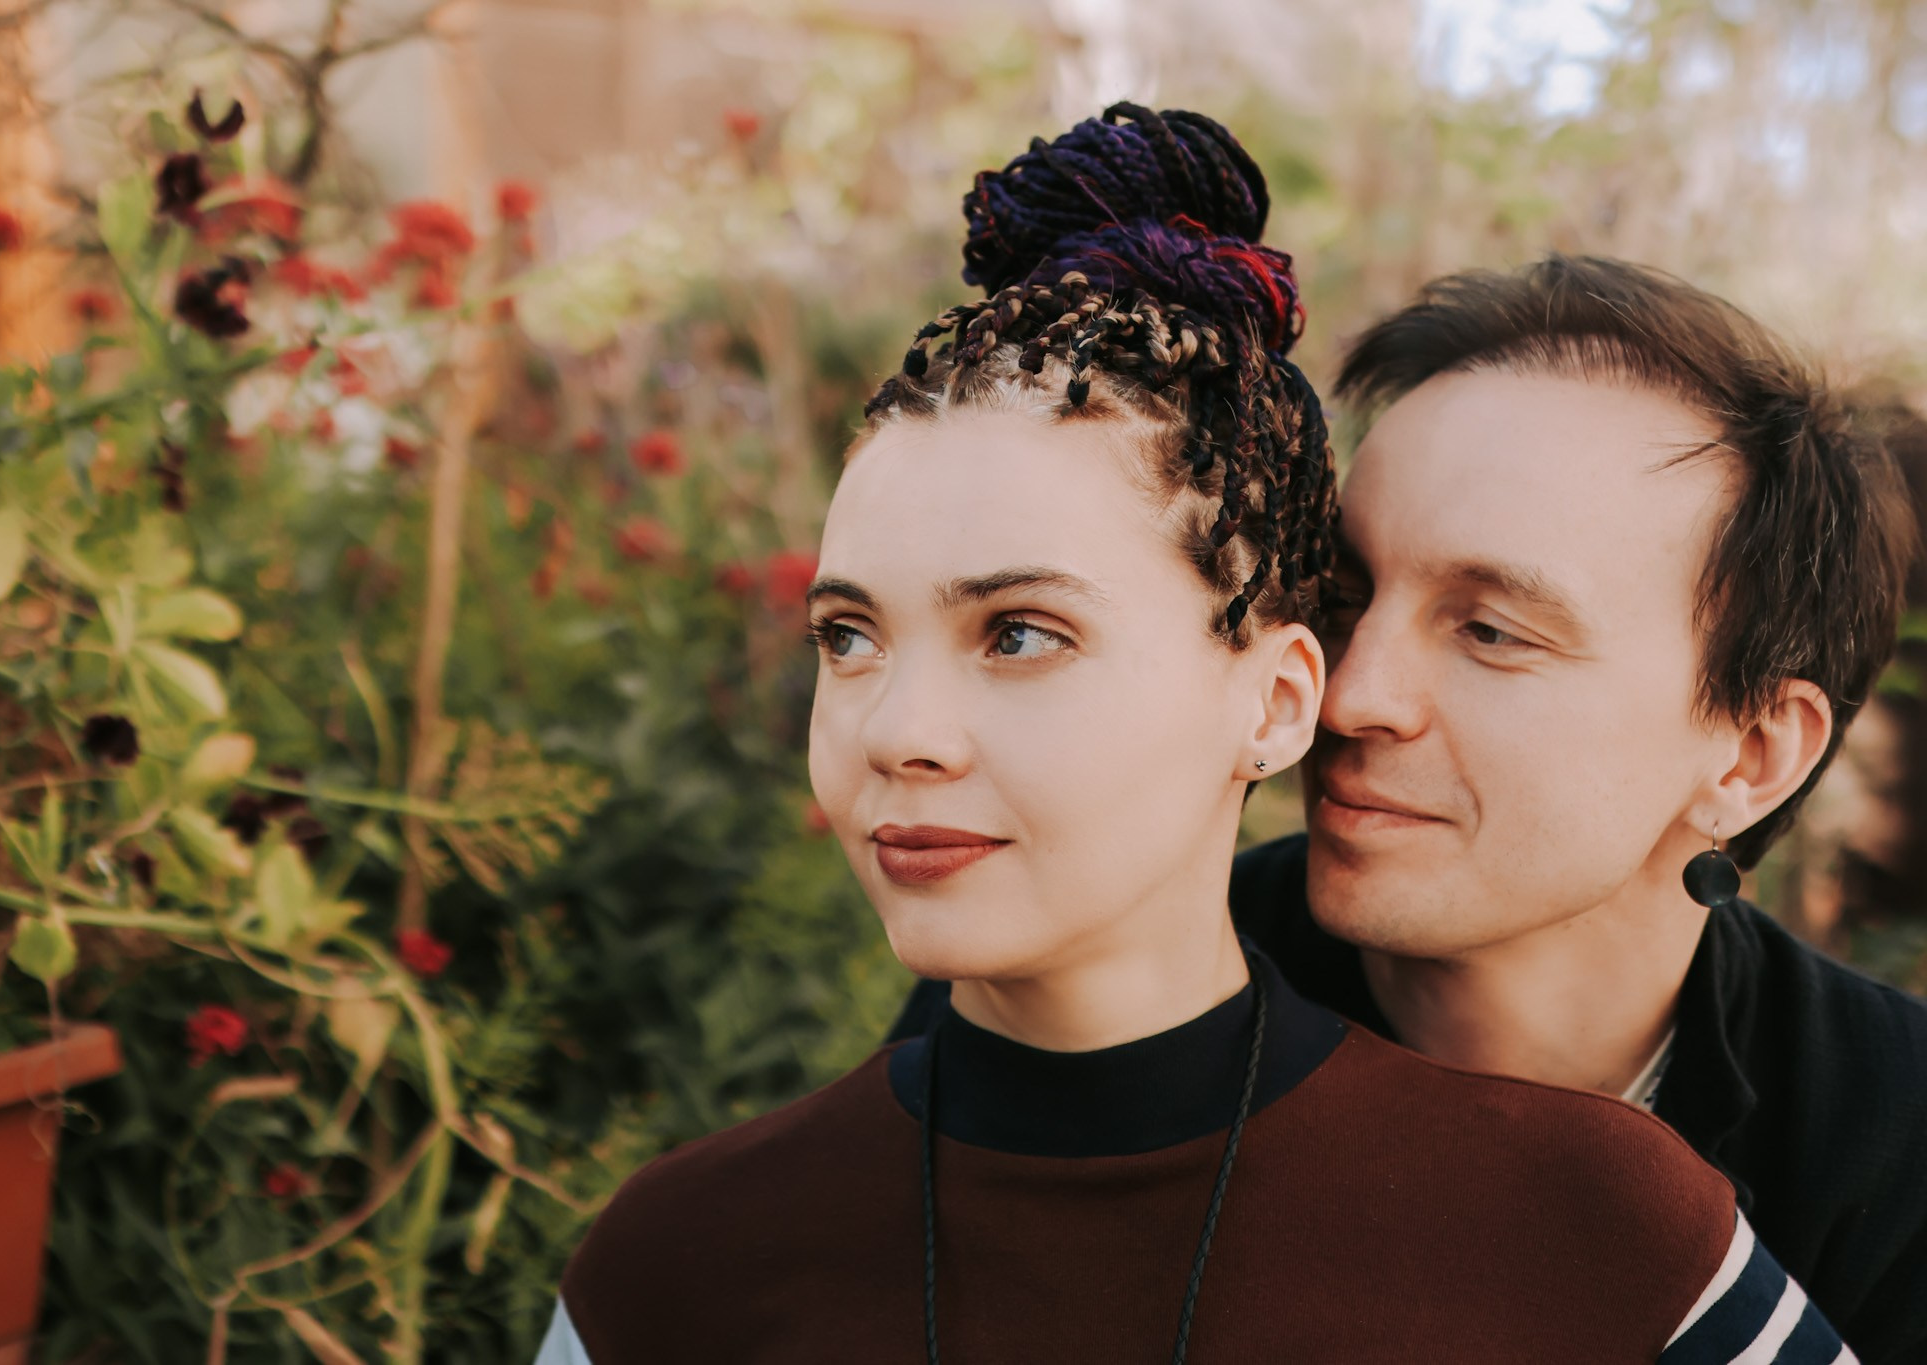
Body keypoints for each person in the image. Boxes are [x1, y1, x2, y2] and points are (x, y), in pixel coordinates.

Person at [539, 107, 1855, 1364]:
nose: (899, 732)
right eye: (848, 636)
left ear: (1268, 698)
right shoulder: (680, 1260)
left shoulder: (1622, 1224)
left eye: (1022, 633)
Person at [890, 255, 1927, 1362]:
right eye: (1338, 599)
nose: (1351, 693)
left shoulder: (1891, 1148)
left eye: (1490, 630)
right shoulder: (1088, 986)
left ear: (1752, 755)